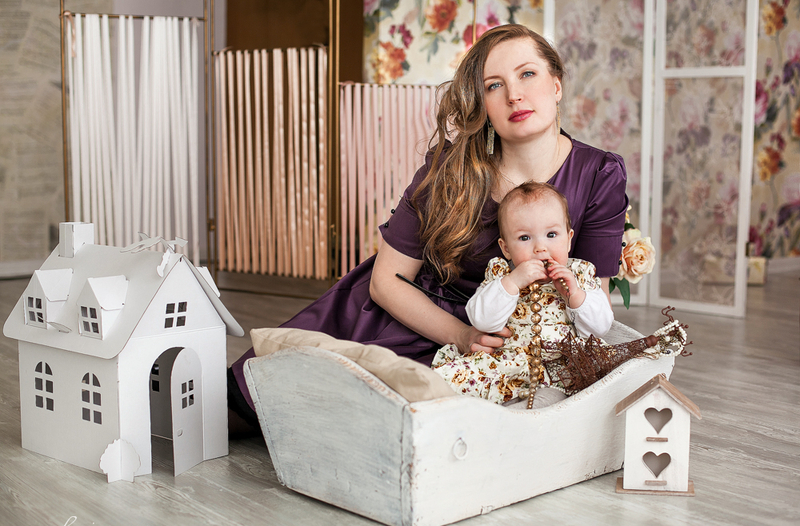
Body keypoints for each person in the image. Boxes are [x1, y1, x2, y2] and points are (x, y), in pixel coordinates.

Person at [227, 23, 629, 431]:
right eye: (494, 85)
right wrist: (461, 335)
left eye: (527, 74)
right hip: (410, 317)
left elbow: (595, 304)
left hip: (505, 348)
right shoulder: (450, 169)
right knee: (244, 407)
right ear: (483, 106)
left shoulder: (599, 174)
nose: (514, 95)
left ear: (556, 85)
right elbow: (386, 282)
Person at [431, 181, 614, 406]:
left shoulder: (579, 274)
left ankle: (531, 412)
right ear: (506, 248)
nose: (540, 248)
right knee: (450, 380)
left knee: (600, 386)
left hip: (563, 366)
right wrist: (513, 283)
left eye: (552, 234)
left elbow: (601, 327)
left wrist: (574, 295)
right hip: (508, 363)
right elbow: (482, 320)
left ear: (569, 239)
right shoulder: (503, 275)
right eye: (525, 238)